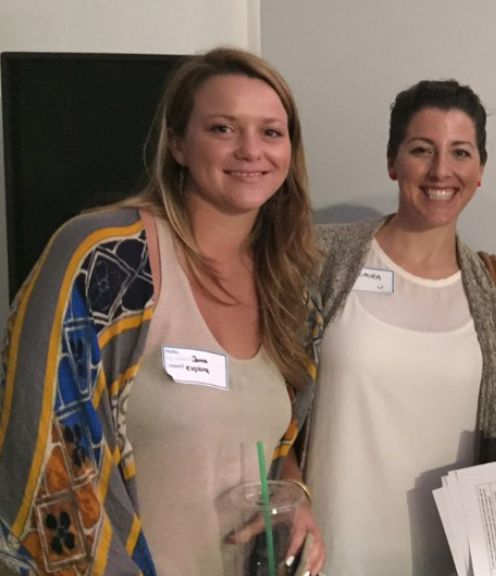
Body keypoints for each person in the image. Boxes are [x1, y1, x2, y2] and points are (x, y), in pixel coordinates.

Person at [0, 48, 325, 574]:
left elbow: (275, 446)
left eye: (271, 132)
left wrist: (297, 499)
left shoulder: (291, 292)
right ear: (177, 142)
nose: (251, 151)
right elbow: (41, 459)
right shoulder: (104, 259)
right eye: (223, 128)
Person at [307, 79, 496, 575]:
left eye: (460, 152)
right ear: (393, 161)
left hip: (448, 559)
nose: (440, 171)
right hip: (331, 554)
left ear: (480, 171)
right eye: (421, 150)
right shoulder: (321, 259)